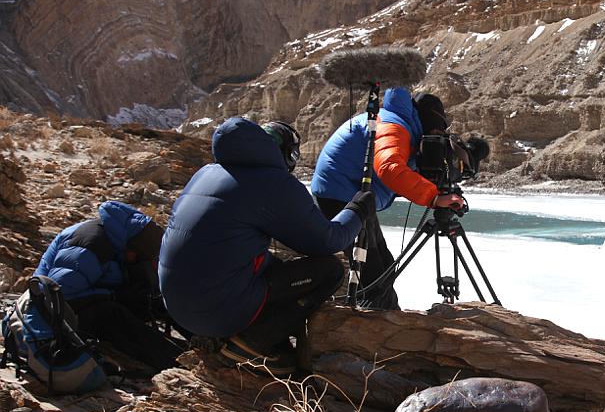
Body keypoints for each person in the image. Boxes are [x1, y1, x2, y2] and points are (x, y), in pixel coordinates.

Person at [158, 118, 371, 376]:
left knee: (272, 265)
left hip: (178, 308)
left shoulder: (205, 173)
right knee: (329, 271)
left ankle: (241, 337)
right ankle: (251, 344)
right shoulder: (272, 183)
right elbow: (329, 241)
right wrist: (357, 210)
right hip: (215, 310)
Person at [310, 89, 463, 310]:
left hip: (352, 194)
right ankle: (373, 325)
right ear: (427, 120)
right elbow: (390, 169)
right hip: (339, 194)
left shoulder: (402, 125)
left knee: (384, 264)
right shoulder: (395, 127)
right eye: (437, 129)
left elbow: (396, 168)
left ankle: (387, 316)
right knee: (372, 270)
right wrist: (434, 198)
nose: (438, 134)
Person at [34, 201, 184, 374]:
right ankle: (175, 363)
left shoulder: (126, 242)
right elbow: (57, 295)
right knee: (110, 314)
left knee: (158, 297)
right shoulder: (90, 245)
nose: (136, 261)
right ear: (130, 248)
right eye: (136, 257)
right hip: (52, 316)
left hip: (87, 298)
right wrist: (113, 295)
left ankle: (210, 346)